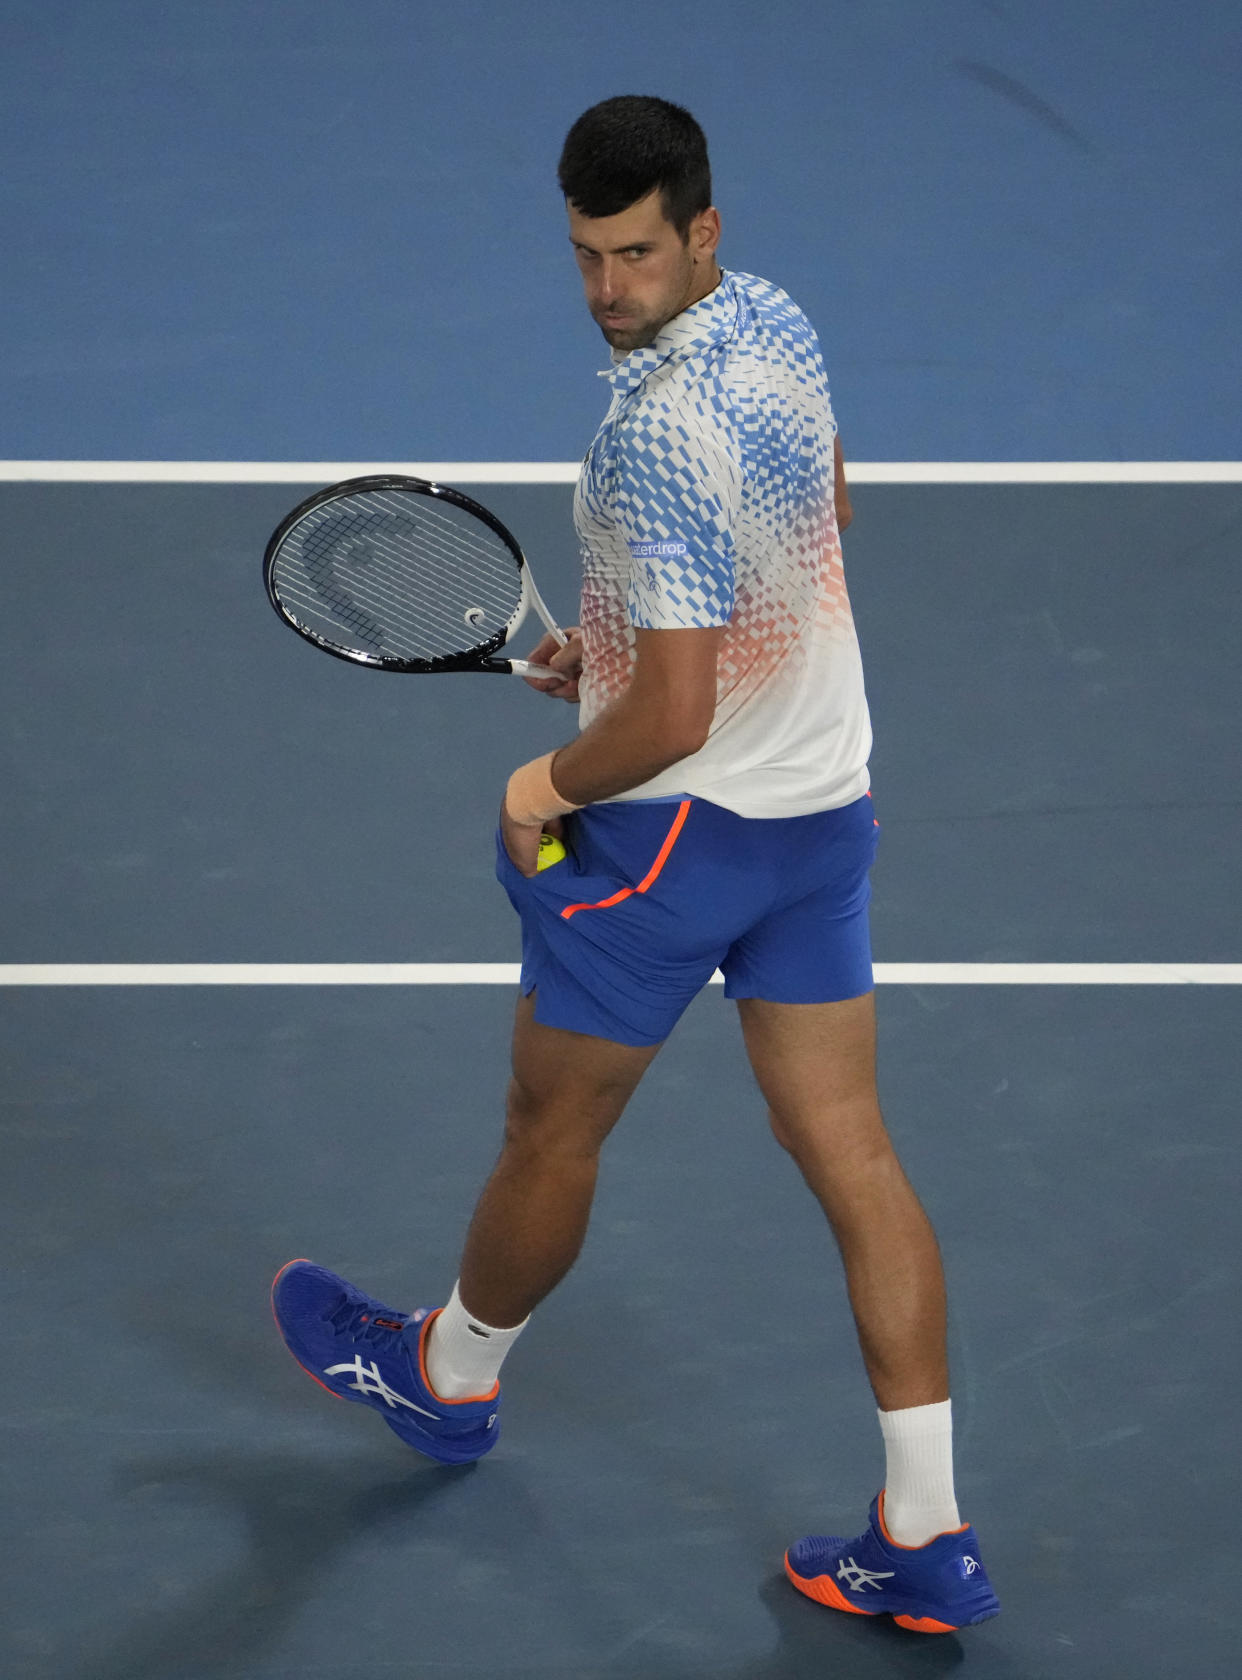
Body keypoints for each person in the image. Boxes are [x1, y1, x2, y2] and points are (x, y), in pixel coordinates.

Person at [272, 94, 999, 1636]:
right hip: (823, 818)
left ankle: (447, 1379)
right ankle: (924, 1533)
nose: (609, 289)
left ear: (701, 232)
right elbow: (820, 514)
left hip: (670, 844)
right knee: (854, 1157)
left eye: (637, 254)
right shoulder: (781, 327)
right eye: (587, 257)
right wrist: (608, 648)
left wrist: (546, 772)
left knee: (549, 1130)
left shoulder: (654, 431)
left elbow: (667, 719)